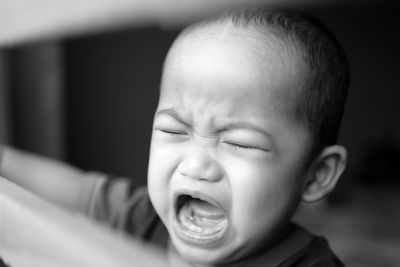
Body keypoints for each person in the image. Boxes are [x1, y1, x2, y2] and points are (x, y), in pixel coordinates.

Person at [0, 6, 349, 267]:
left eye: (239, 142)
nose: (195, 166)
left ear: (316, 175)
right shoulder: (145, 219)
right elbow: (71, 190)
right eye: (174, 130)